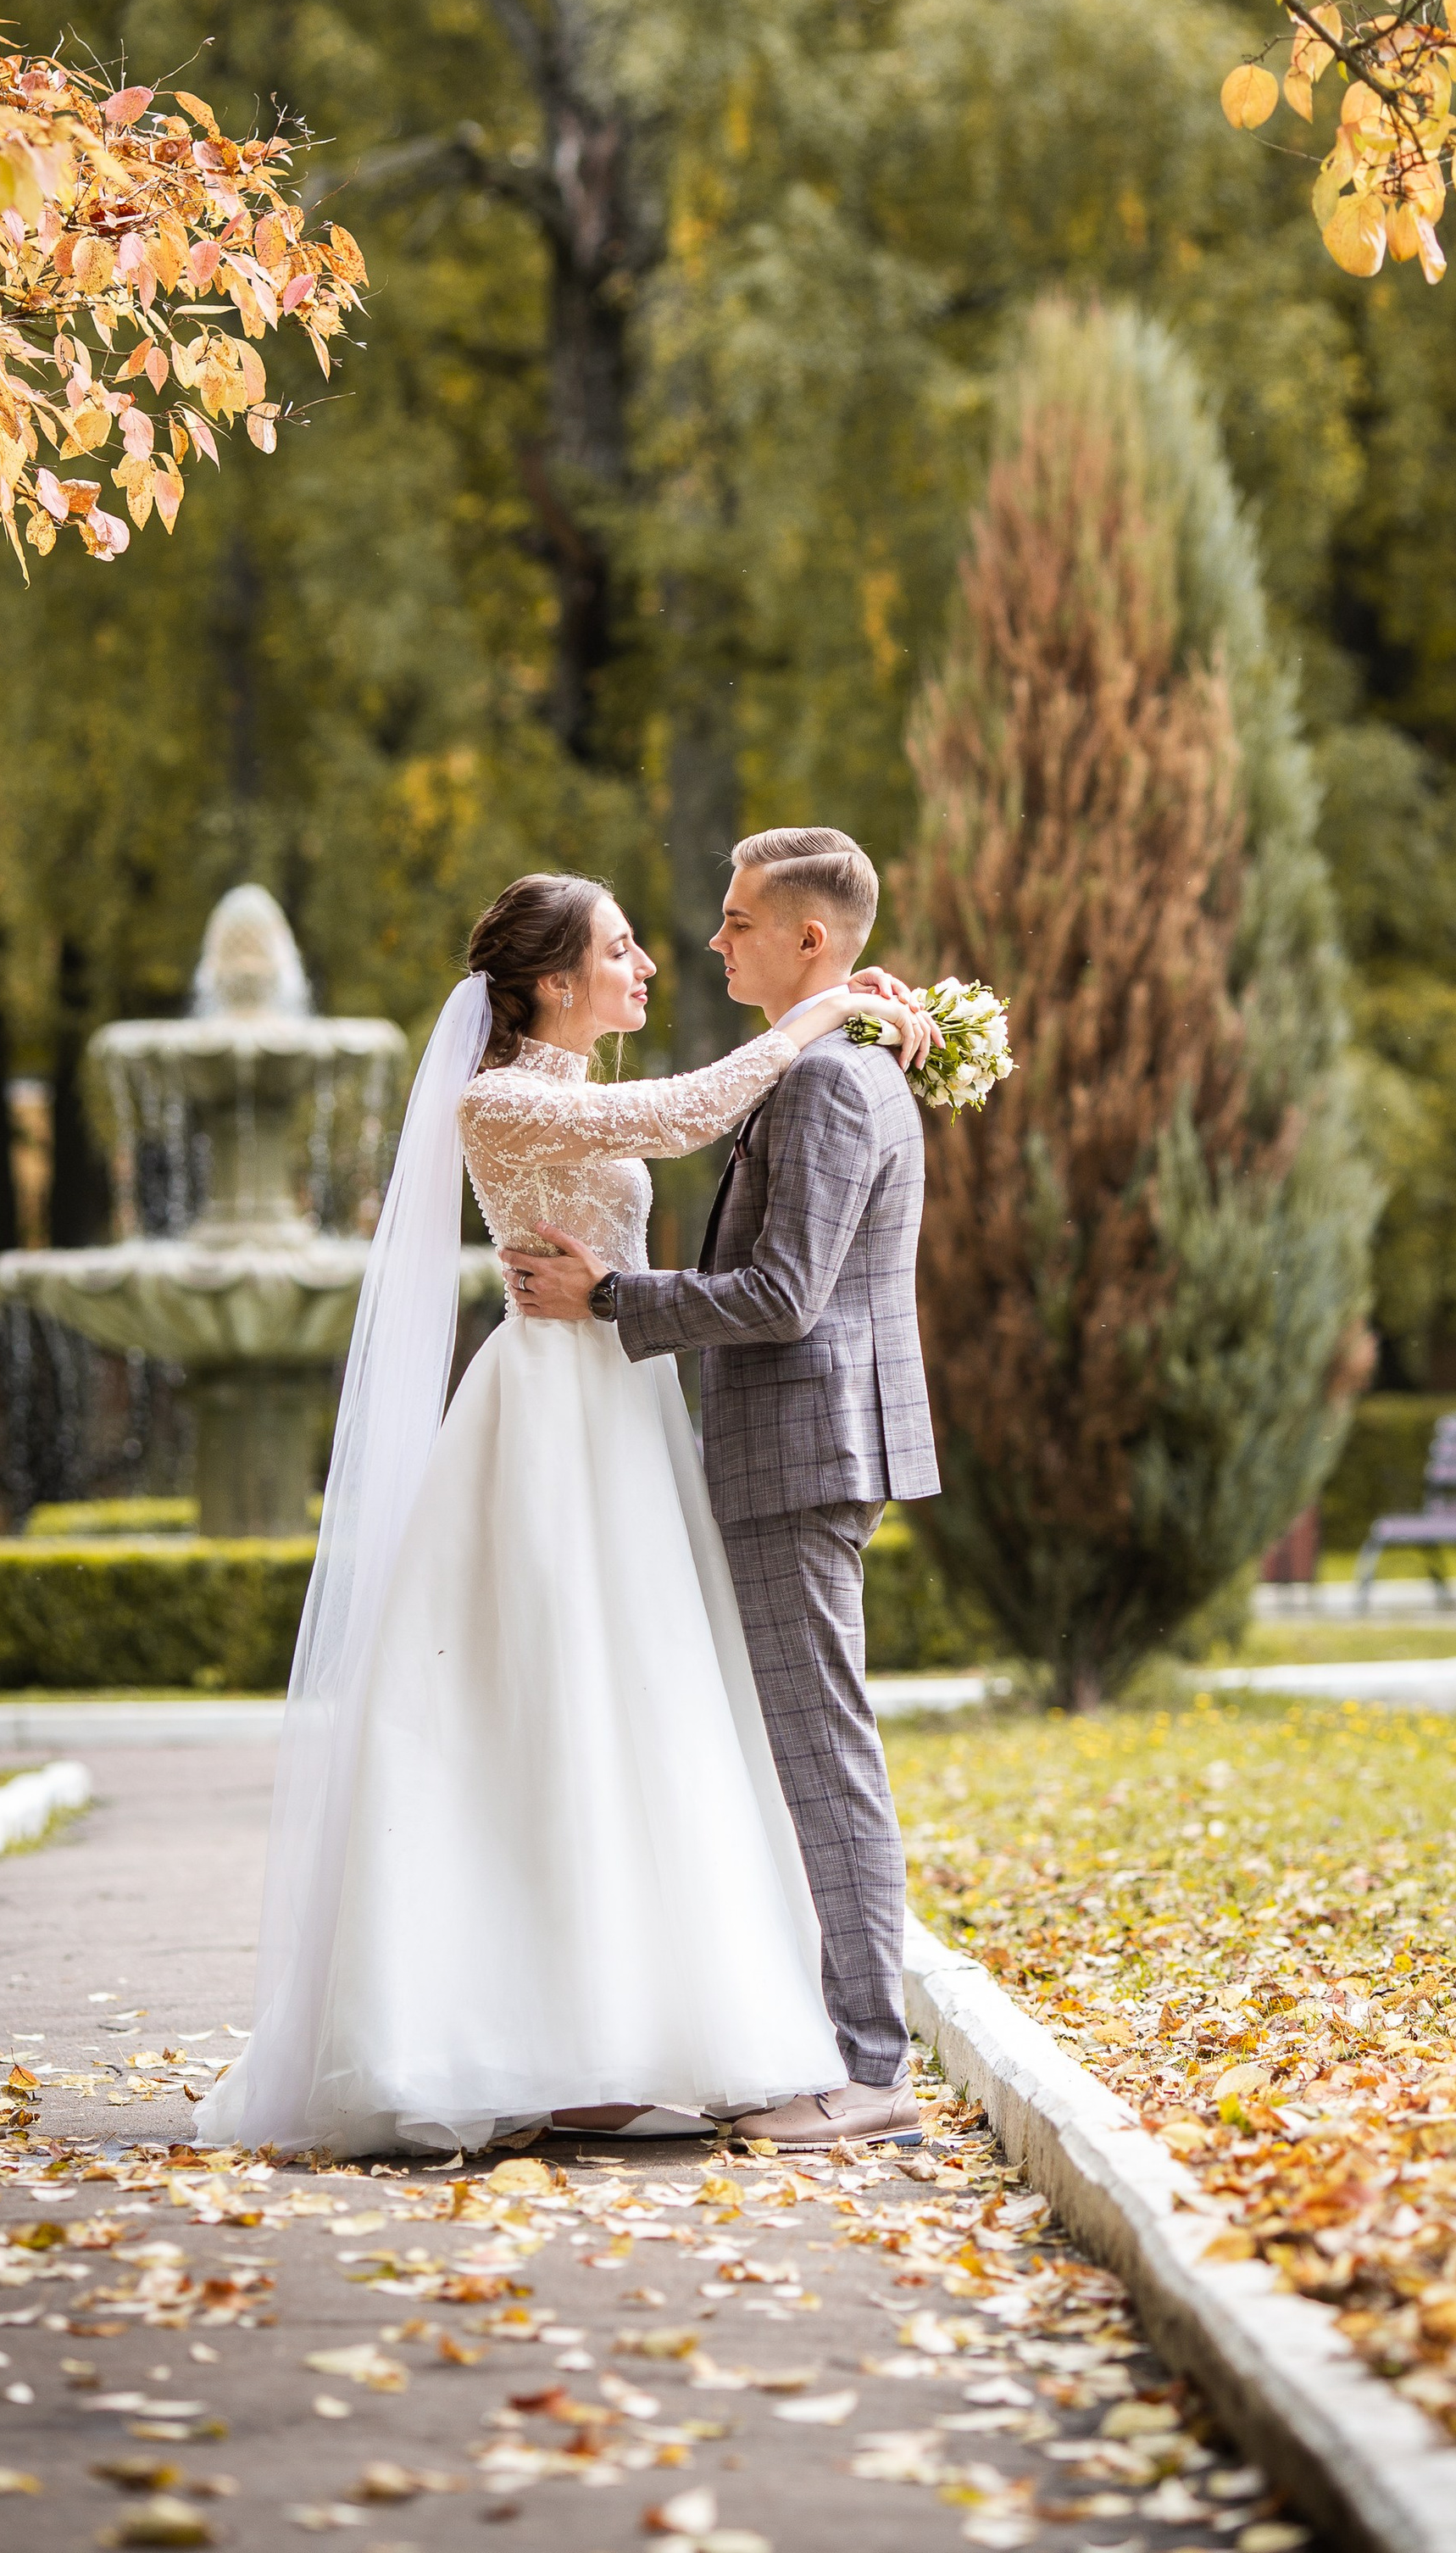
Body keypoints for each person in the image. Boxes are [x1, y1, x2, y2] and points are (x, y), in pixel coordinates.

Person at [196, 870, 933, 2157]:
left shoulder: (573, 1091)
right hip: (549, 1412)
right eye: (621, 947)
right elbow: (690, 1110)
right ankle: (511, 2034)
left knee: (629, 1713)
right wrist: (826, 1012)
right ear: (552, 983)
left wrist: (833, 1013)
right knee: (545, 1707)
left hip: (627, 1408)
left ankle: (603, 2034)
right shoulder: (505, 1097)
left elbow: (667, 1157)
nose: (652, 962)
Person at [509, 826, 940, 2151]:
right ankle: (817, 2039)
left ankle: (872, 2071)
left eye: (740, 918)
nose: (714, 938)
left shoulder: (824, 1085)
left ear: (812, 942)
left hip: (801, 1452)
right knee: (795, 1752)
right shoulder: (829, 1064)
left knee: (825, 1755)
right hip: (805, 1449)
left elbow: (782, 1295)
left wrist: (611, 1296)